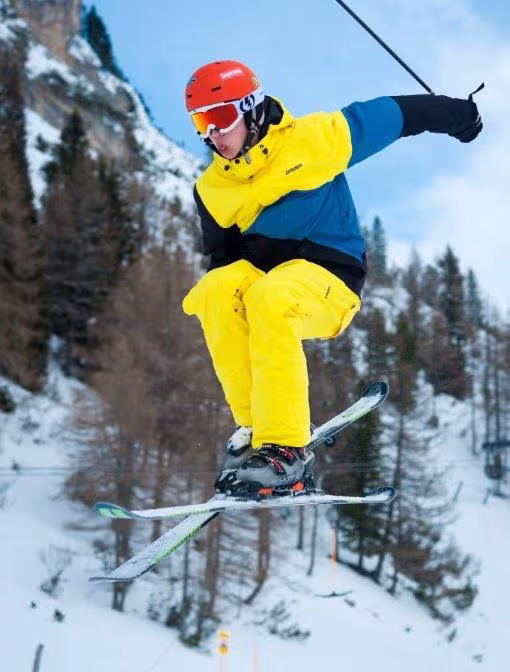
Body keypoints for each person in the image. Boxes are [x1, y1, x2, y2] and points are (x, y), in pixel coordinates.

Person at [182, 59, 482, 497]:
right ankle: (256, 432)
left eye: (220, 118)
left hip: (329, 280)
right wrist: (227, 305)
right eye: (201, 123)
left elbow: (391, 116)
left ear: (251, 109)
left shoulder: (314, 140)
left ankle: (285, 451)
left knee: (271, 295)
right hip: (271, 284)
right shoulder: (212, 188)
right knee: (215, 292)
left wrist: (456, 115)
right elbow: (226, 266)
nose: (212, 134)